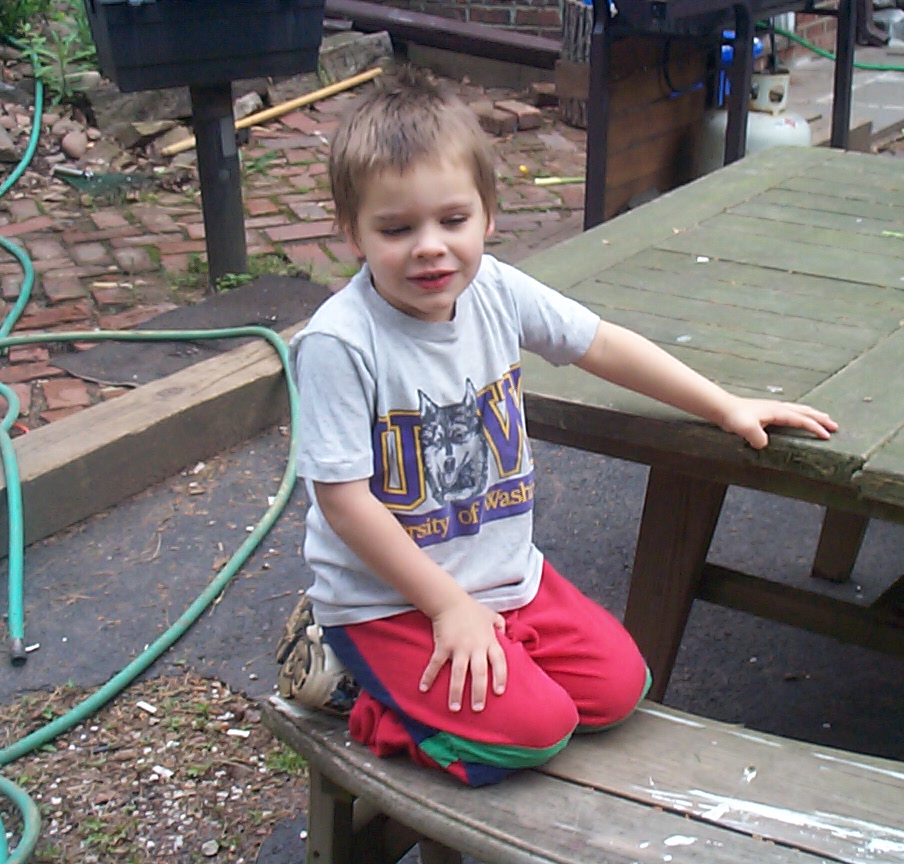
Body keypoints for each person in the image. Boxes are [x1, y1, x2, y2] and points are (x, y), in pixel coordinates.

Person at [276, 66, 838, 787]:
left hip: (506, 581)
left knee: (618, 690)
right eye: (396, 228)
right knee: (531, 736)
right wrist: (448, 606)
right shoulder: (341, 342)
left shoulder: (495, 289)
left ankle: (485, 664)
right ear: (352, 232)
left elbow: (600, 343)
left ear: (488, 215)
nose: (430, 247)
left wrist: (722, 404)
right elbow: (344, 503)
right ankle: (358, 694)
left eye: (453, 220)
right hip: (390, 603)